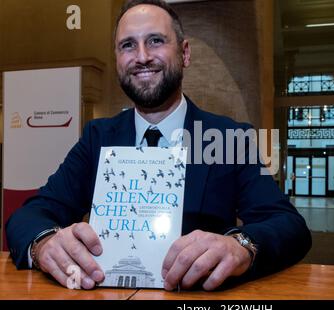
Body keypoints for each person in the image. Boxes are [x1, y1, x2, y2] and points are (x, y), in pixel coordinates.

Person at [6, 0, 311, 291]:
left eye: (155, 41)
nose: (141, 57)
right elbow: (30, 216)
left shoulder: (232, 137)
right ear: (117, 60)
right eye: (128, 45)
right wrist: (44, 243)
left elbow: (290, 226)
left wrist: (240, 246)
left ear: (185, 53)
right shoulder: (97, 138)